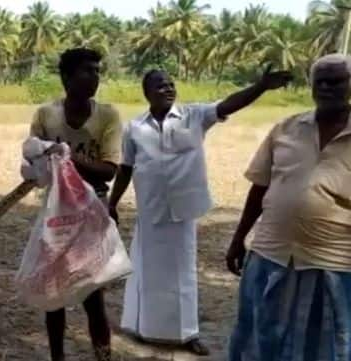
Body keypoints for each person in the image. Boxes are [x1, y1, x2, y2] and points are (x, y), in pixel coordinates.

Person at [108, 66, 292, 355]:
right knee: (148, 271)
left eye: (171, 84)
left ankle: (187, 334)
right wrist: (113, 203)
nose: (168, 88)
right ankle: (144, 328)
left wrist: (260, 86)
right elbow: (126, 168)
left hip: (184, 209)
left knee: (183, 274)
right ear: (146, 93)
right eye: (160, 85)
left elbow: (229, 104)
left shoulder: (194, 116)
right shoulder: (134, 128)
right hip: (151, 209)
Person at [225, 54, 351, 360]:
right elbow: (260, 188)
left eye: (335, 81)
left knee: (324, 347)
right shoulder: (286, 129)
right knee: (261, 340)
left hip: (332, 263)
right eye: (319, 81)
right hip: (271, 255)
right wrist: (238, 238)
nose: (326, 87)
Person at [28, 47, 122, 361]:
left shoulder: (107, 115)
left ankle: (103, 355)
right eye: (86, 71)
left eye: (97, 71)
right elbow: (35, 166)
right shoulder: (45, 115)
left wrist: (66, 155)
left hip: (91, 212)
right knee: (53, 295)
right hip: (55, 214)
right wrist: (38, 163)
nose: (94, 77)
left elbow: (109, 170)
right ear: (66, 77)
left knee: (93, 296)